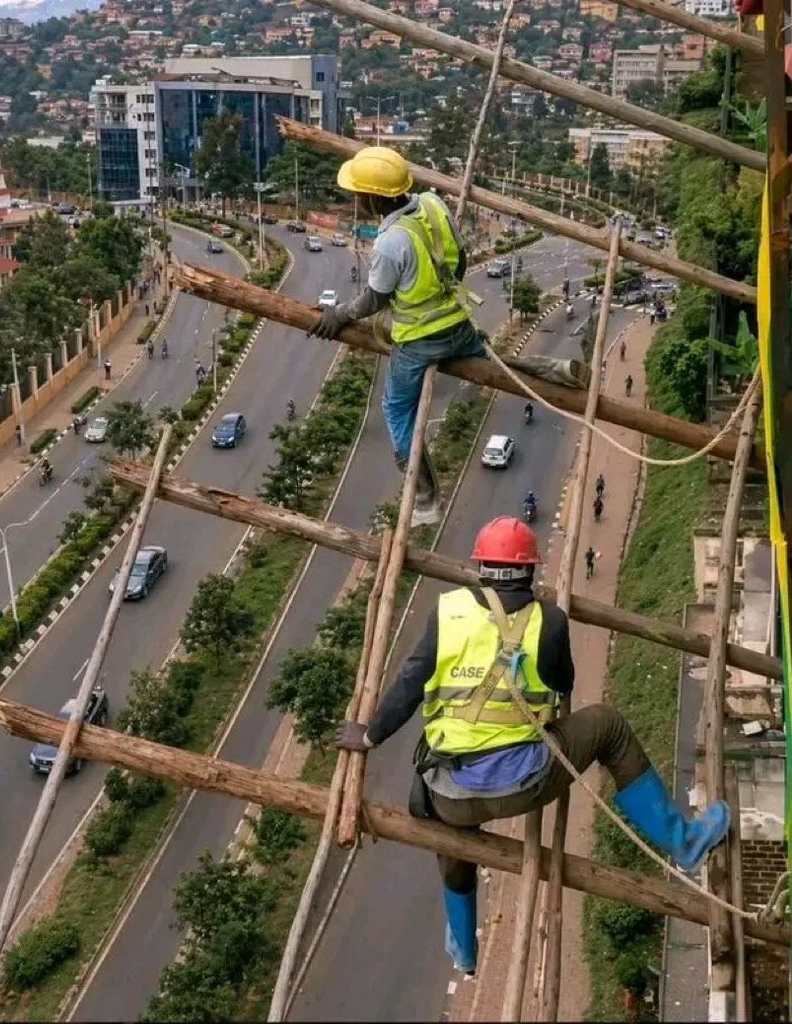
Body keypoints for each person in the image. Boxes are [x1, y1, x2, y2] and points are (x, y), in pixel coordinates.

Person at [336, 518, 729, 975]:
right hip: (528, 785)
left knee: (453, 838)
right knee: (608, 725)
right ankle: (684, 842)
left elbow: (409, 683)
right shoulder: (550, 619)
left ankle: (464, 947)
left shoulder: (448, 612)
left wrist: (367, 737)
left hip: (453, 798)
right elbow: (564, 683)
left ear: (481, 566)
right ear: (530, 571)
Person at [307, 146, 484, 528]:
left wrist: (338, 315)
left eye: (358, 194)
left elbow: (373, 299)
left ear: (372, 197)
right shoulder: (433, 204)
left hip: (420, 340)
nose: (356, 199)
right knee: (488, 361)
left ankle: (426, 499)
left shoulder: (390, 243)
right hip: (457, 322)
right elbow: (462, 258)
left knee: (395, 408)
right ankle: (555, 371)